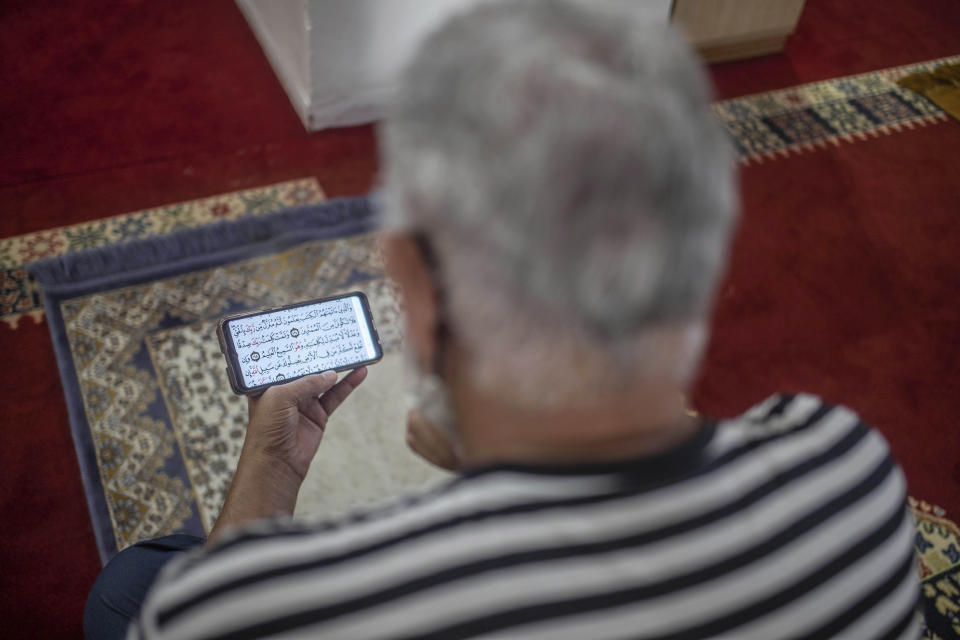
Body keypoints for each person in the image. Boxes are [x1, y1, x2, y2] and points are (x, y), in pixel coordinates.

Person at [84, 1, 921, 638]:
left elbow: (221, 609)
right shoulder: (851, 467)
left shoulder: (278, 601)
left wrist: (274, 455)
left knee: (128, 588)